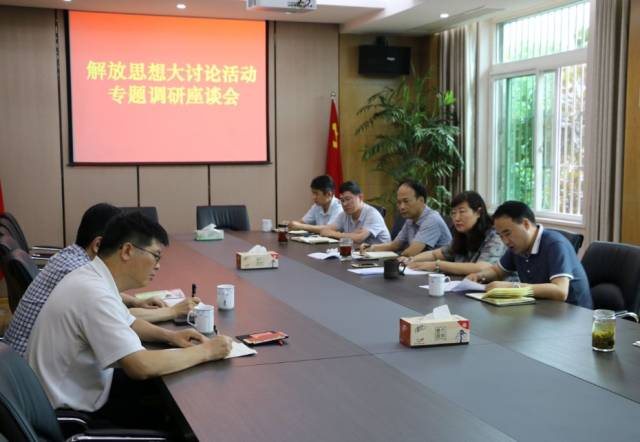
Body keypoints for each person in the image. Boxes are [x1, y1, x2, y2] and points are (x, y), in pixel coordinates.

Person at [27, 212, 232, 415]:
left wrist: (171, 336)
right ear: (127, 251)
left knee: (170, 390)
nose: (158, 266)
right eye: (156, 256)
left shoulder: (92, 276)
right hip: (67, 413)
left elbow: (130, 322)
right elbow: (140, 366)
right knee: (180, 403)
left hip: (76, 389)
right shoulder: (94, 293)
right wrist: (207, 351)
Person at [4, 203, 197, 357]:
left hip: (23, 359)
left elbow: (119, 312)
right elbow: (119, 321)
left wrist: (135, 301)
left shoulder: (73, 258)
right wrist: (171, 311)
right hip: (28, 365)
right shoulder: (79, 275)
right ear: (98, 244)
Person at [467, 201, 592, 308]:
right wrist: (479, 276)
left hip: (571, 314)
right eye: (501, 236)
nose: (505, 241)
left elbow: (560, 291)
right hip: (542, 310)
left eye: (507, 233)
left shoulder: (555, 244)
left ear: (526, 224)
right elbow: (497, 271)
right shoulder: (518, 246)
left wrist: (512, 288)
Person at [401, 191, 505, 274]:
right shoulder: (463, 235)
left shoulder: (496, 234)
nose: (457, 218)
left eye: (462, 212)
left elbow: (482, 268)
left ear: (478, 212)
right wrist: (411, 260)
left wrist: (438, 265)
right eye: (453, 213)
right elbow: (435, 254)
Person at [361, 179, 451, 256]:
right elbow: (395, 245)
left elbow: (411, 253)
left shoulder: (432, 219)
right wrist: (371, 247)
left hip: (439, 269)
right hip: (418, 266)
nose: (402, 207)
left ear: (421, 200)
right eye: (399, 202)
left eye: (406, 201)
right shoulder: (410, 219)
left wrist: (392, 259)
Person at [320, 181, 391, 244]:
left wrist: (335, 234)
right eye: (342, 200)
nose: (344, 204)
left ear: (360, 197)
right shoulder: (344, 214)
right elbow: (324, 231)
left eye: (348, 199)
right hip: (359, 251)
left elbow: (359, 238)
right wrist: (352, 235)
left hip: (380, 253)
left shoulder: (372, 214)